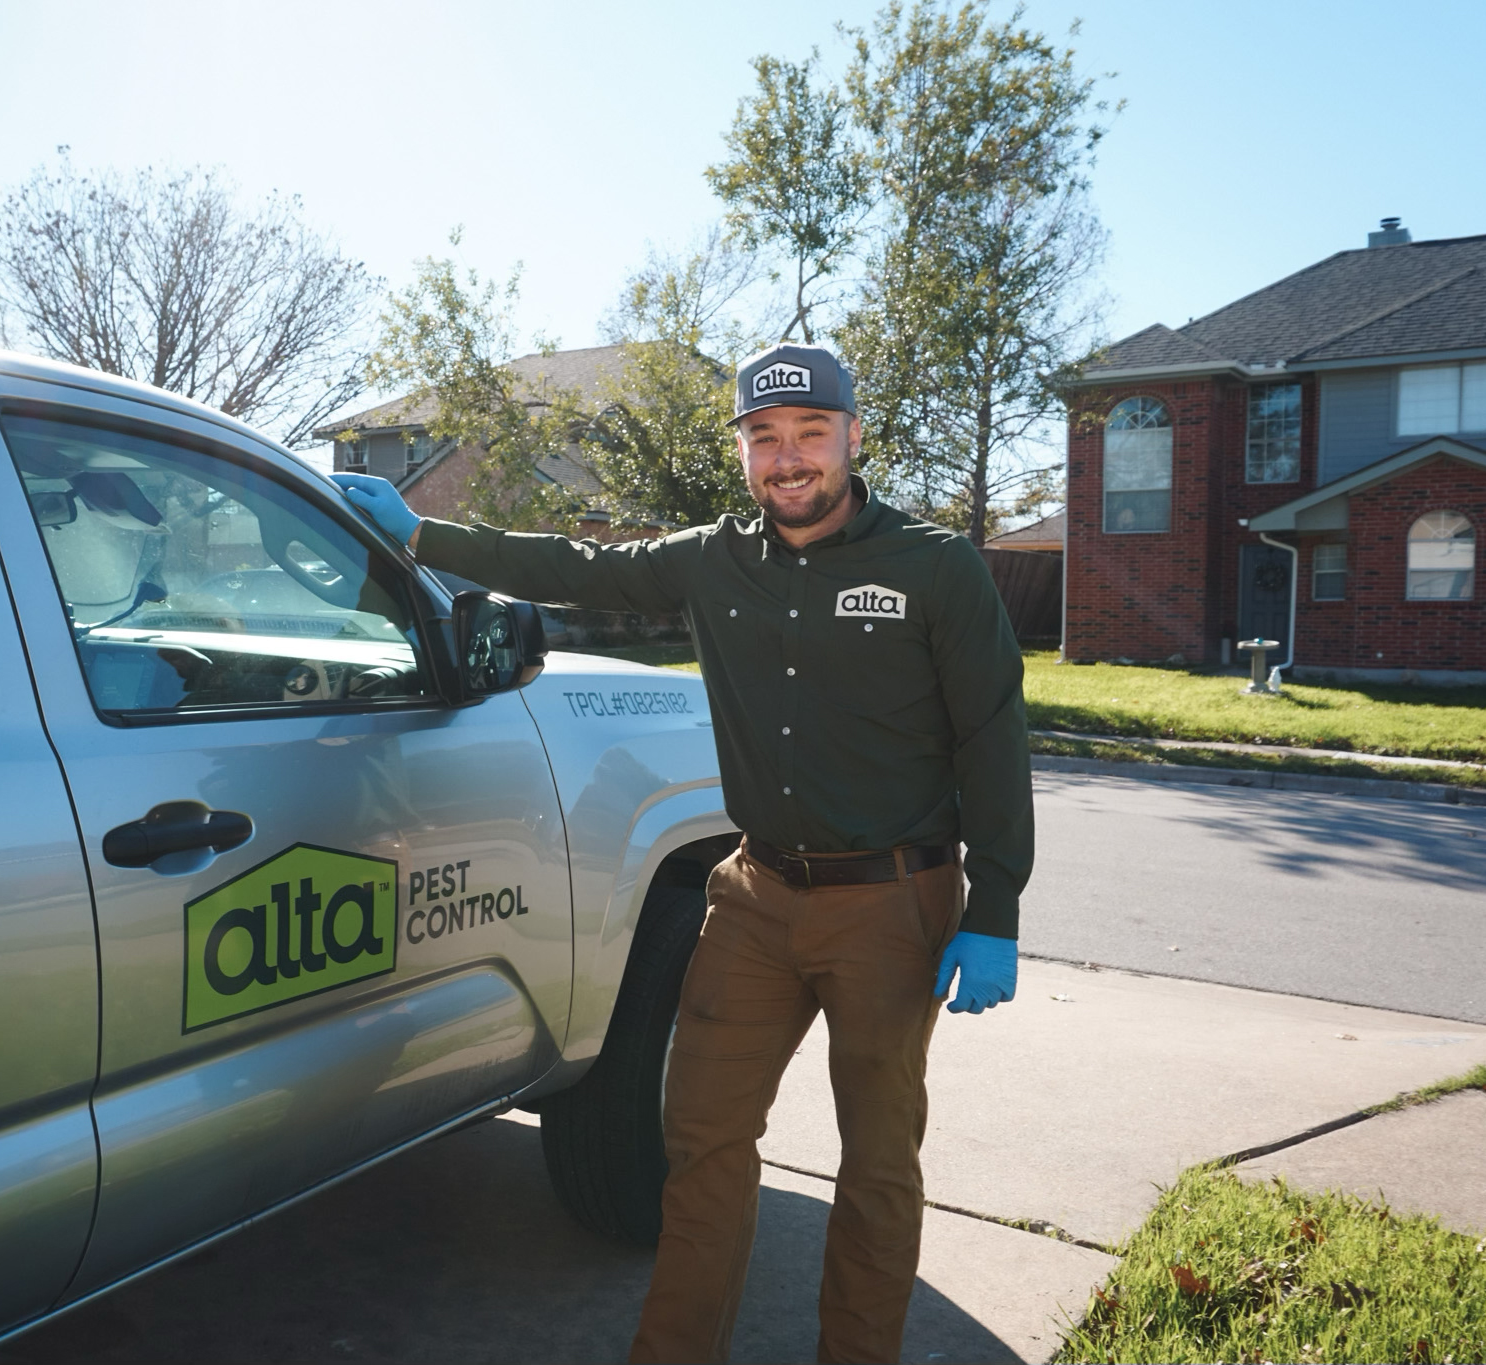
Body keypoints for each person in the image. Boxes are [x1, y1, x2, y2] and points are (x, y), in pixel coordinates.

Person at [334, 342, 1030, 1365]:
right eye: (762, 438)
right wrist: (421, 532)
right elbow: (573, 565)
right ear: (742, 450)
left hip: (889, 902)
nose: (785, 459)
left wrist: (992, 906)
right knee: (699, 1147)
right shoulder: (712, 556)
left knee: (877, 1167)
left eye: (807, 434)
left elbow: (991, 735)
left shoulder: (933, 568)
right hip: (751, 896)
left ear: (850, 436)